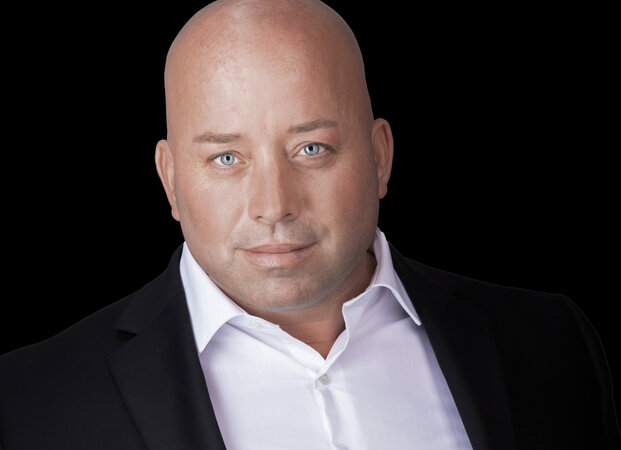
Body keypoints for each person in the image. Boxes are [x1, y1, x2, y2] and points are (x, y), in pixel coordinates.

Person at [1, 0, 619, 449]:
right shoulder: (26, 401)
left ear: (380, 156)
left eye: (312, 149)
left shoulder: (550, 344)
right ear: (170, 181)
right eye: (226, 158)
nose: (274, 205)